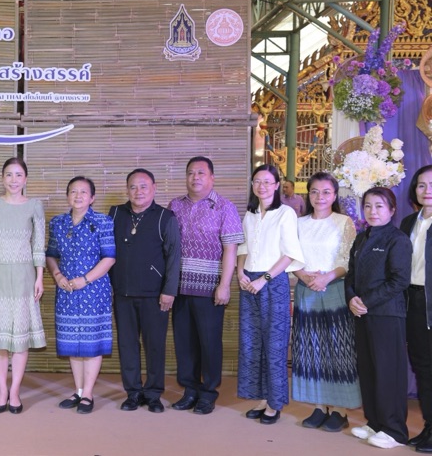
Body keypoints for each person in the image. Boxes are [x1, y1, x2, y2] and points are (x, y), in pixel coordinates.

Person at [168, 157, 243, 416]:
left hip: (210, 288)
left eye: (201, 173)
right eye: (190, 173)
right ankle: (190, 390)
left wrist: (225, 285)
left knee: (209, 342)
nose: (195, 177)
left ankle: (208, 392)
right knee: (184, 342)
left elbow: (231, 249)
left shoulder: (224, 207)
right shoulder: (175, 205)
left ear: (212, 177)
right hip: (179, 287)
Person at [0, 157, 46, 415]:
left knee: (20, 339)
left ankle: (15, 391)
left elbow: (38, 245)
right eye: (9, 174)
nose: (13, 180)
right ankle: (2, 391)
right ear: (2, 178)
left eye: (18, 175)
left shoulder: (35, 206)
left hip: (24, 277)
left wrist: (39, 277)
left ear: (25, 178)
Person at [292, 172, 359, 432]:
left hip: (335, 289)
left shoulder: (344, 222)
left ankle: (340, 410)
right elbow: (290, 256)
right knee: (311, 349)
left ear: (335, 195)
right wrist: (304, 276)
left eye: (326, 192)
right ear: (308, 194)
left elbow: (348, 259)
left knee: (339, 350)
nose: (320, 197)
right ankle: (319, 406)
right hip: (306, 290)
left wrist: (326, 277)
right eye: (314, 191)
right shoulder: (298, 223)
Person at [109, 168, 180, 413]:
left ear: (154, 188)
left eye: (143, 186)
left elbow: (174, 257)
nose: (138, 191)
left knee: (155, 345)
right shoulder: (115, 214)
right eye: (133, 187)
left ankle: (153, 394)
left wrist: (169, 290)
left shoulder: (165, 217)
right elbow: (106, 252)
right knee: (127, 345)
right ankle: (133, 393)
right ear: (127, 189)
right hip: (122, 293)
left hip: (155, 295)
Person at [237, 164, 304, 425]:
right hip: (249, 283)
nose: (261, 186)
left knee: (275, 344)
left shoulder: (285, 213)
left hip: (272, 283)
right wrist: (240, 272)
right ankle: (263, 398)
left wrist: (264, 279)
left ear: (277, 185)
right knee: (253, 343)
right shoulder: (250, 214)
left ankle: (275, 403)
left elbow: (290, 253)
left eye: (267, 181)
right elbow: (243, 247)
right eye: (257, 181)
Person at [346, 187, 411, 449]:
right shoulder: (361, 238)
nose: (372, 211)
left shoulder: (398, 240)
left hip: (387, 314)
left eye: (379, 206)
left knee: (388, 372)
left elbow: (399, 280)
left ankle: (395, 431)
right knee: (368, 369)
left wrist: (366, 301)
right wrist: (351, 298)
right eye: (368, 206)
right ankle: (374, 422)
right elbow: (351, 275)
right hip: (362, 314)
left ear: (392, 210)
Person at [46, 176, 116, 414]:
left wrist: (84, 280)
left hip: (93, 291)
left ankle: (88, 393)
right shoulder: (58, 223)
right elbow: (51, 254)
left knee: (91, 343)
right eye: (73, 191)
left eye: (83, 192)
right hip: (66, 291)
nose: (78, 196)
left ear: (92, 197)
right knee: (72, 343)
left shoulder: (103, 222)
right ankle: (77, 391)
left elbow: (109, 258)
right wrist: (57, 275)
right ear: (68, 196)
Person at [400, 165, 432, 451]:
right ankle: (429, 426)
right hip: (413, 300)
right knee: (422, 366)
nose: (427, 190)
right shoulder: (409, 222)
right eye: (421, 185)